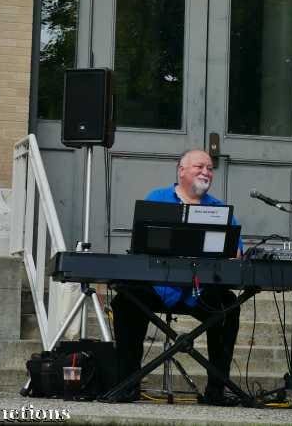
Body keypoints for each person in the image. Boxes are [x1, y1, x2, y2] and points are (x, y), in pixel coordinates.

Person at [110, 149, 242, 406]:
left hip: (199, 291)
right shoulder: (157, 198)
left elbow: (236, 253)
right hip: (158, 288)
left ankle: (216, 391)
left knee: (229, 308)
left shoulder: (219, 208)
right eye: (199, 167)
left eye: (210, 168)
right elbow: (142, 245)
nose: (206, 172)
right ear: (181, 171)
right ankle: (126, 386)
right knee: (126, 300)